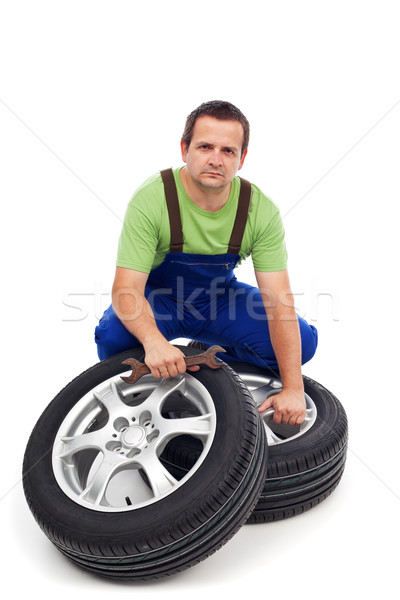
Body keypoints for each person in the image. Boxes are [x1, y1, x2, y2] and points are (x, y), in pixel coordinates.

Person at [95, 100, 318, 425]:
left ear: (241, 159)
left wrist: (294, 388)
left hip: (219, 300)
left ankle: (207, 350)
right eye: (205, 147)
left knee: (303, 345)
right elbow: (127, 288)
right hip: (160, 300)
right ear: (185, 149)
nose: (216, 159)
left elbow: (278, 301)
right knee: (115, 340)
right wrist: (154, 343)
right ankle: (161, 362)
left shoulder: (260, 211)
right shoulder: (153, 198)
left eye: (228, 151)